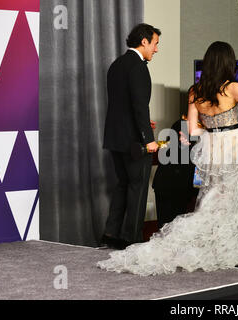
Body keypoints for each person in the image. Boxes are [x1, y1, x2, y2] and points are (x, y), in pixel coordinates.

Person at [97, 41, 238, 276]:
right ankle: (236, 255)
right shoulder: (232, 88)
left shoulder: (196, 91)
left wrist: (214, 134)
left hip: (214, 149)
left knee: (214, 205)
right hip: (236, 148)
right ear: (228, 63)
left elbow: (193, 131)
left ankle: (220, 252)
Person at [101, 23, 161, 250]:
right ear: (144, 41)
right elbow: (139, 106)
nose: (156, 49)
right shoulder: (138, 67)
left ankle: (111, 234)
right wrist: (149, 138)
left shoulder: (116, 64)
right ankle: (132, 240)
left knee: (122, 185)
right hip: (135, 143)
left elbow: (122, 106)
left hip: (115, 138)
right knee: (137, 189)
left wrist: (144, 123)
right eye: (155, 44)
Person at [152, 117, 199, 229]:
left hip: (170, 189)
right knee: (170, 225)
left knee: (168, 225)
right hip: (172, 189)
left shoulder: (168, 145)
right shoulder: (170, 145)